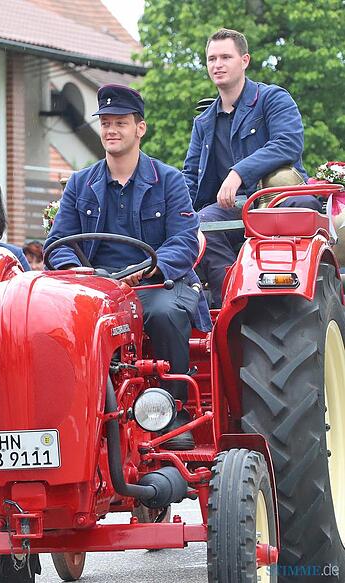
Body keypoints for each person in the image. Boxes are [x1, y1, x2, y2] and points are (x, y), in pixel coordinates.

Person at [46, 84, 211, 451]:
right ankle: (76, 421)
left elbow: (184, 241)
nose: (111, 130)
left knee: (167, 314)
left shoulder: (168, 181)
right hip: (98, 290)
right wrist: (83, 275)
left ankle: (174, 412)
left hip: (158, 285)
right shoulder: (79, 184)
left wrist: (151, 270)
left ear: (140, 128)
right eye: (105, 123)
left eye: (120, 122)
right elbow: (58, 246)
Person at [183, 28, 320, 308]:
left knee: (303, 206)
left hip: (277, 200)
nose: (217, 65)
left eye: (225, 57)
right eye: (211, 59)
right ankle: (233, 306)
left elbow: (288, 143)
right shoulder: (203, 122)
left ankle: (283, 302)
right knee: (202, 223)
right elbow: (190, 178)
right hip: (228, 208)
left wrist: (238, 172)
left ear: (244, 60)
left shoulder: (273, 99)